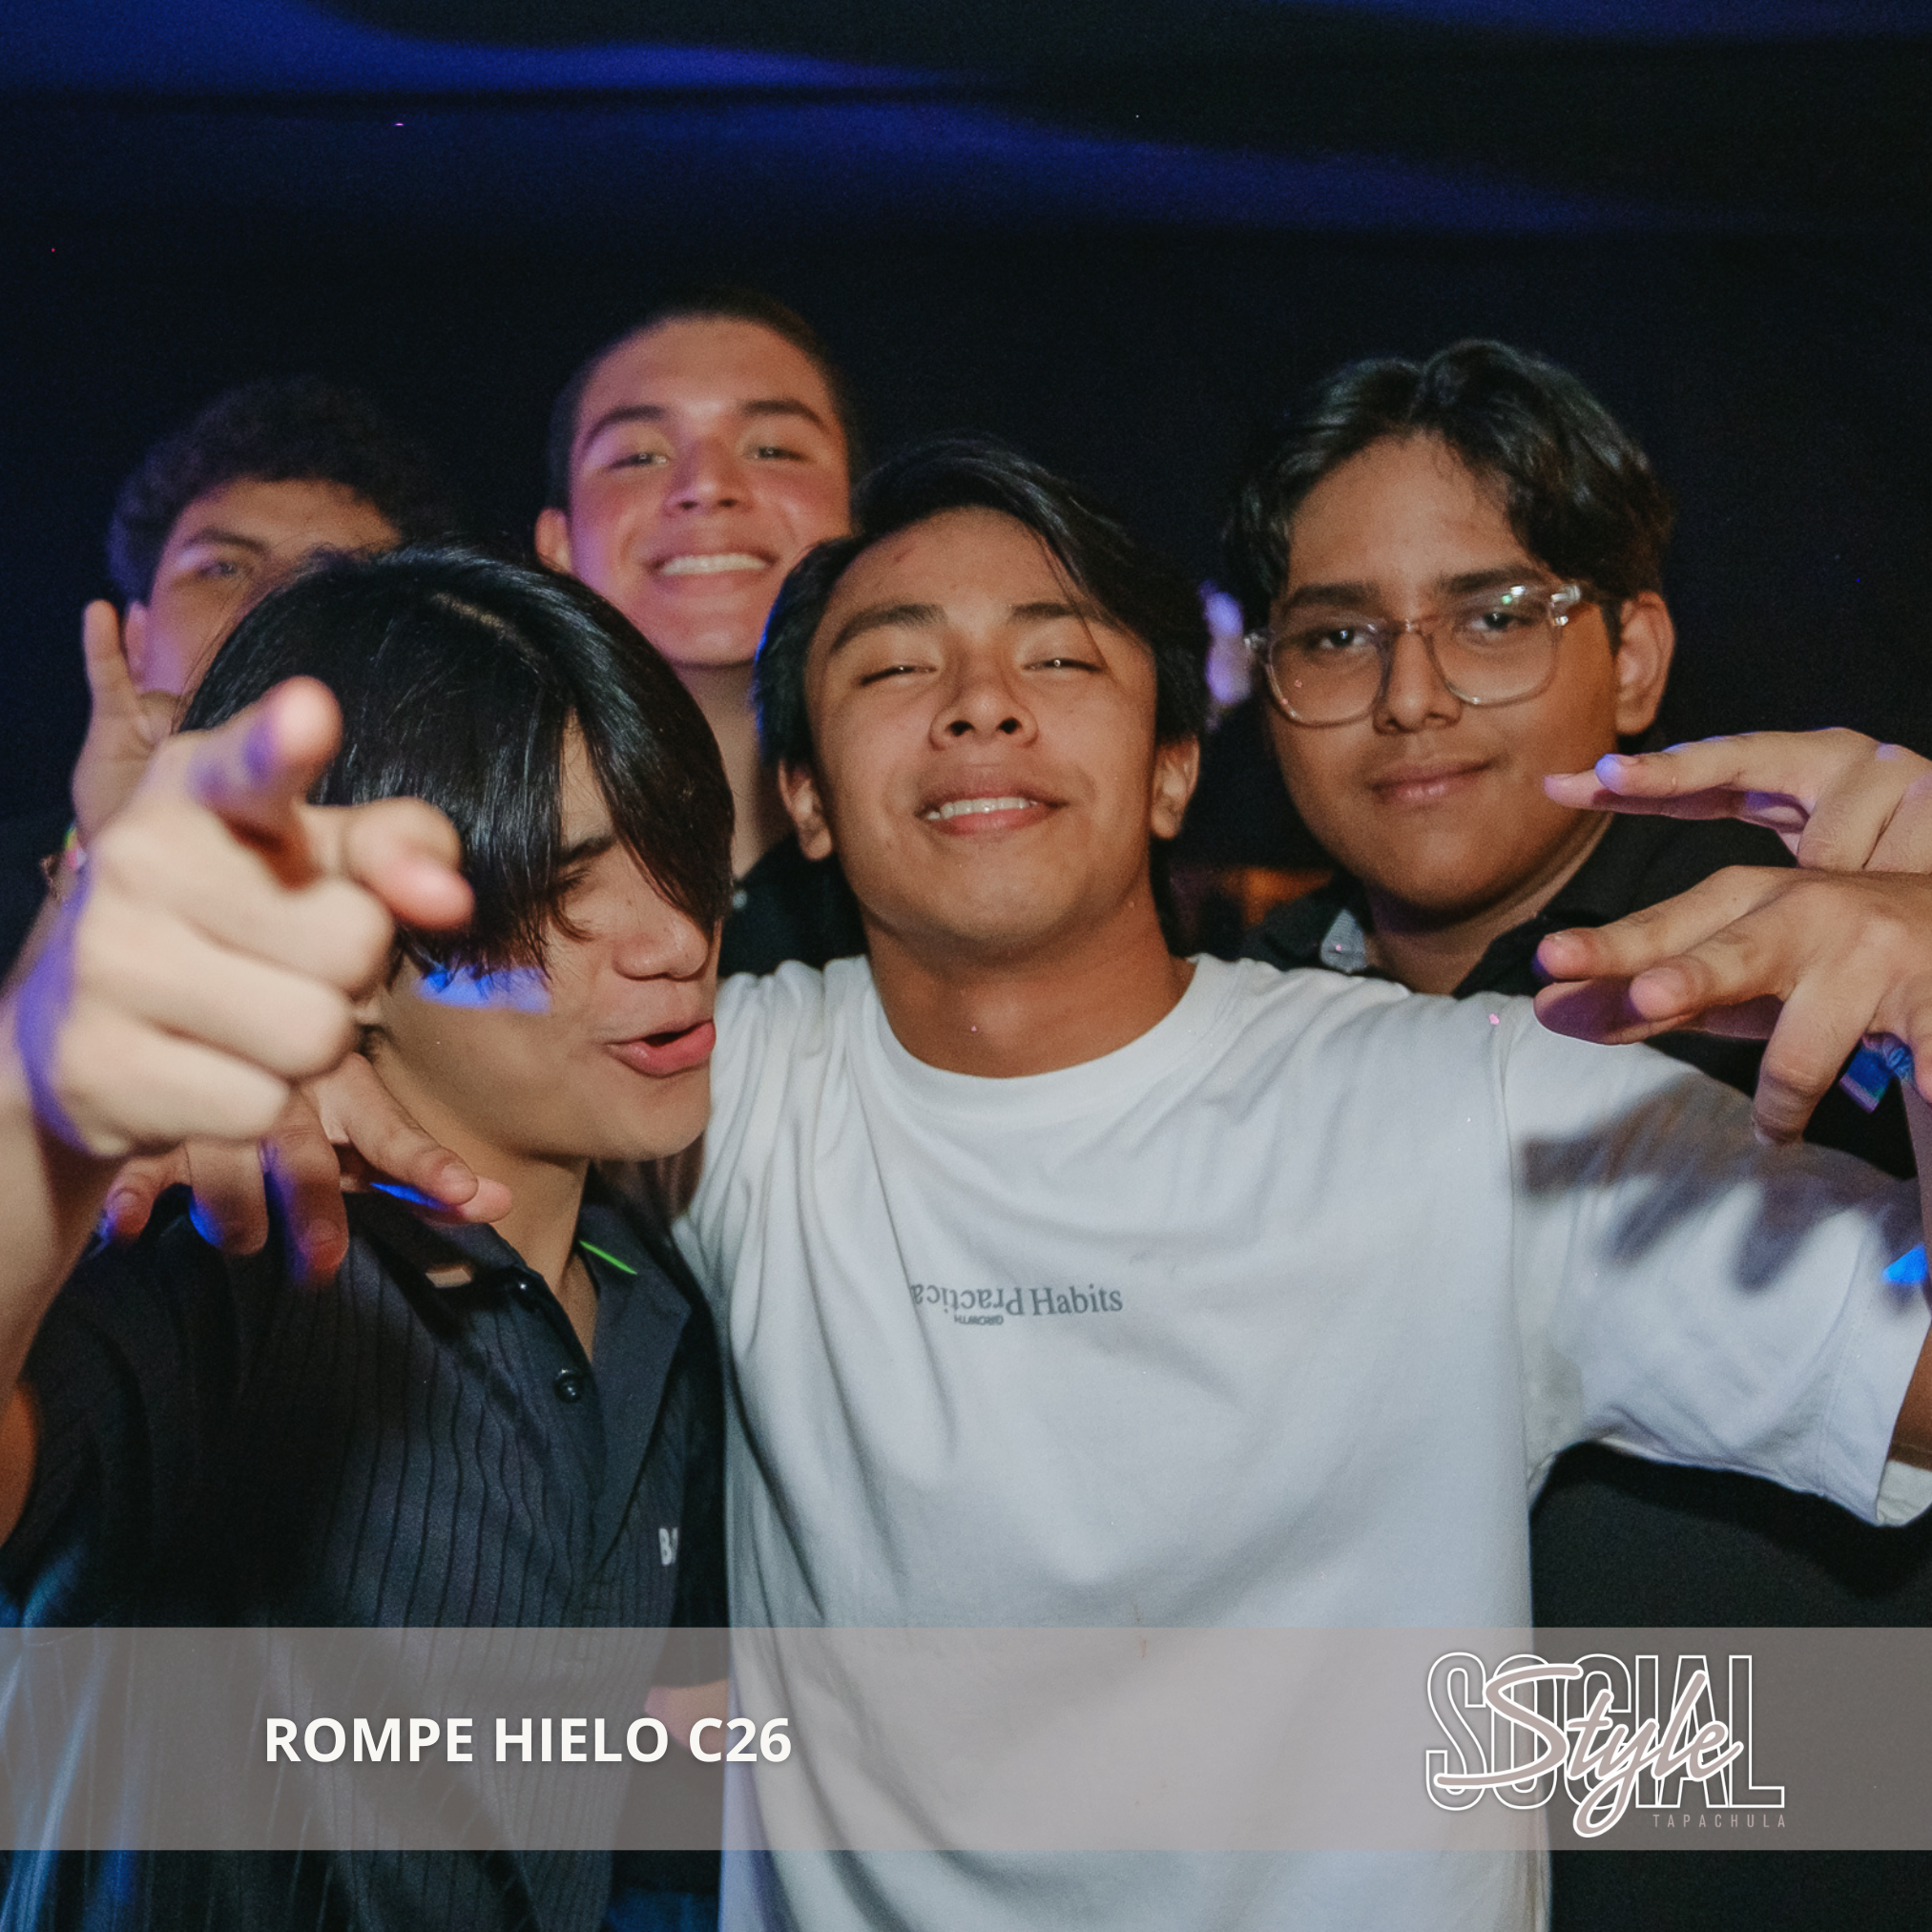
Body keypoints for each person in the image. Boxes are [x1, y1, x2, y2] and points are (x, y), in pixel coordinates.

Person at [139, 440, 1932, 1931]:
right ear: (804, 801)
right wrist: (244, 1018)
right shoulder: (719, 1089)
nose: (982, 706)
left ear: (1171, 768)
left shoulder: (1474, 1109)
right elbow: (402, 1030)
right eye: (893, 668)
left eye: (1060, 662)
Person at [1219, 343, 1932, 1922]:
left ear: (1634, 656)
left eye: (1492, 616)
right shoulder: (1217, 1028)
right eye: (1335, 634)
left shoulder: (1827, 961)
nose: (1409, 695)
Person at [0, 548, 733, 1930]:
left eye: (678, 850)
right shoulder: (231, 1254)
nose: (671, 939)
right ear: (347, 949)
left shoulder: (655, 1306)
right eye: (555, 887)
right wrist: (34, 1124)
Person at [1, 376, 459, 976]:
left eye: (329, 582)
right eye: (222, 568)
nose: (269, 606)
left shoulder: (473, 908)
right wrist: (104, 853)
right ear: (135, 641)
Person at [534, 288, 865, 976]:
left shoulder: (955, 833)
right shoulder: (472, 859)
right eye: (639, 458)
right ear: (558, 546)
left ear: (858, 527)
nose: (707, 485)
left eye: (772, 449)